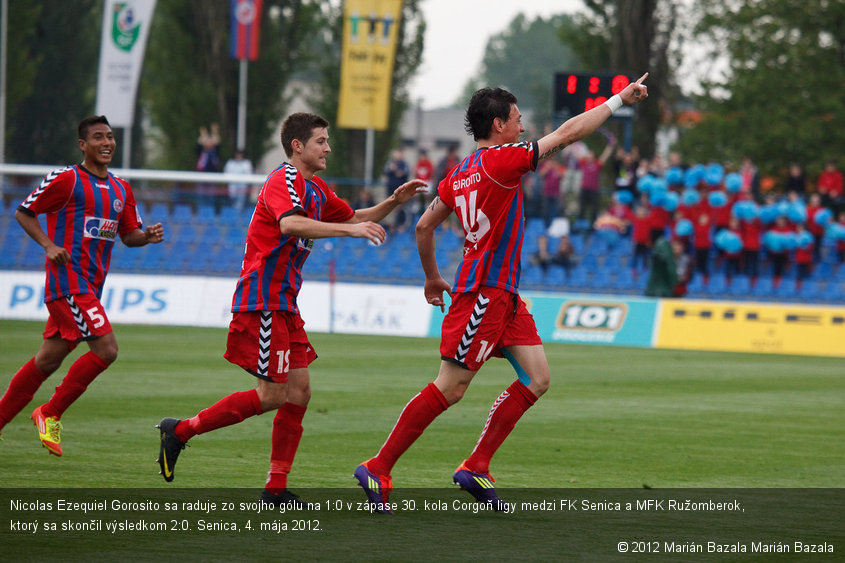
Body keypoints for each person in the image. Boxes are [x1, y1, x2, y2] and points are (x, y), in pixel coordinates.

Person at [354, 75, 649, 513]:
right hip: (483, 292)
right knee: (451, 388)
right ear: (498, 125)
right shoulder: (503, 161)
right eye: (517, 118)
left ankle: (476, 465)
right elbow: (569, 134)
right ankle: (378, 466)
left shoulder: (457, 174)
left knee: (538, 378)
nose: (523, 125)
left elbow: (423, 226)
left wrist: (432, 277)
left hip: (503, 294)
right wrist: (620, 98)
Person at [155, 113, 425, 506]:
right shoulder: (283, 180)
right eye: (321, 141)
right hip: (262, 300)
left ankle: (276, 488)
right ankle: (179, 431)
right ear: (297, 146)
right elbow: (290, 225)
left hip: (284, 304)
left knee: (299, 392)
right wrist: (350, 230)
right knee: (272, 395)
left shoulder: (315, 190)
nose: (328, 148)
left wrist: (392, 202)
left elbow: (356, 218)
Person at [0, 115, 165, 453]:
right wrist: (49, 245)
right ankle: (50, 412)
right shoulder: (67, 179)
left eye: (110, 137)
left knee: (47, 360)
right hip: (68, 282)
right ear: (83, 145)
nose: (106, 143)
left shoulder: (121, 188)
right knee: (107, 349)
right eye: (98, 137)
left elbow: (128, 236)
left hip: (91, 286)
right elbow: (24, 211)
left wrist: (145, 237)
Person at [577, 131, 616, 226]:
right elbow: (576, 153)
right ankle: (581, 224)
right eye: (588, 154)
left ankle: (592, 225)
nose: (589, 155)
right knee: (582, 208)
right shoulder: (584, 163)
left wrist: (610, 146)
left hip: (593, 189)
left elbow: (605, 156)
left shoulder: (597, 164)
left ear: (593, 156)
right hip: (584, 189)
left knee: (594, 208)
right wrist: (570, 142)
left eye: (590, 154)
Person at [383, 148, 411, 231]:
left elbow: (405, 173)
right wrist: (394, 171)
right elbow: (386, 171)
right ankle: (391, 226)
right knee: (389, 206)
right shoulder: (390, 163)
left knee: (401, 207)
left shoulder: (405, 164)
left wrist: (397, 171)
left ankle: (400, 225)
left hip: (401, 189)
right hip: (390, 189)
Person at [223, 149, 254, 214]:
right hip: (232, 188)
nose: (238, 156)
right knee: (232, 205)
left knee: (240, 205)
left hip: (242, 188)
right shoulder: (230, 163)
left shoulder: (246, 163)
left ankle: (238, 220)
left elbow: (249, 175)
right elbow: (226, 174)